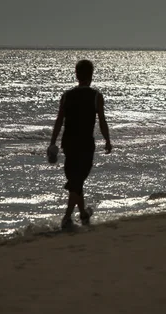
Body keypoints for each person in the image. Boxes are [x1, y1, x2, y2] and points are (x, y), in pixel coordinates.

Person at [48, 59, 112, 229]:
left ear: (76, 75)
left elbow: (59, 121)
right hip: (85, 145)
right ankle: (67, 218)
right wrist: (107, 140)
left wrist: (52, 142)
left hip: (68, 144)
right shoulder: (96, 96)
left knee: (76, 181)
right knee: (77, 181)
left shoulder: (66, 96)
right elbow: (102, 121)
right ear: (91, 75)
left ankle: (83, 215)